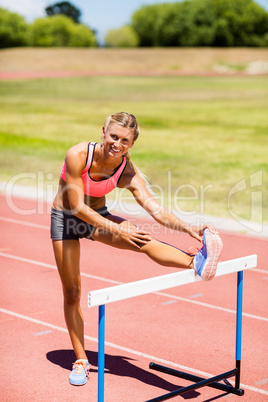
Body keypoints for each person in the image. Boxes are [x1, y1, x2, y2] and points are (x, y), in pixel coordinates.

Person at [51, 112, 223, 386]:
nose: (117, 144)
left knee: (141, 239)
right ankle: (81, 361)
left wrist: (188, 227)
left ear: (132, 144)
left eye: (124, 140)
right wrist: (117, 228)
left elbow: (155, 209)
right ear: (103, 132)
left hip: (97, 218)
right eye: (113, 136)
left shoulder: (125, 171)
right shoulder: (78, 154)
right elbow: (77, 207)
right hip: (66, 219)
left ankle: (197, 263)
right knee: (72, 292)